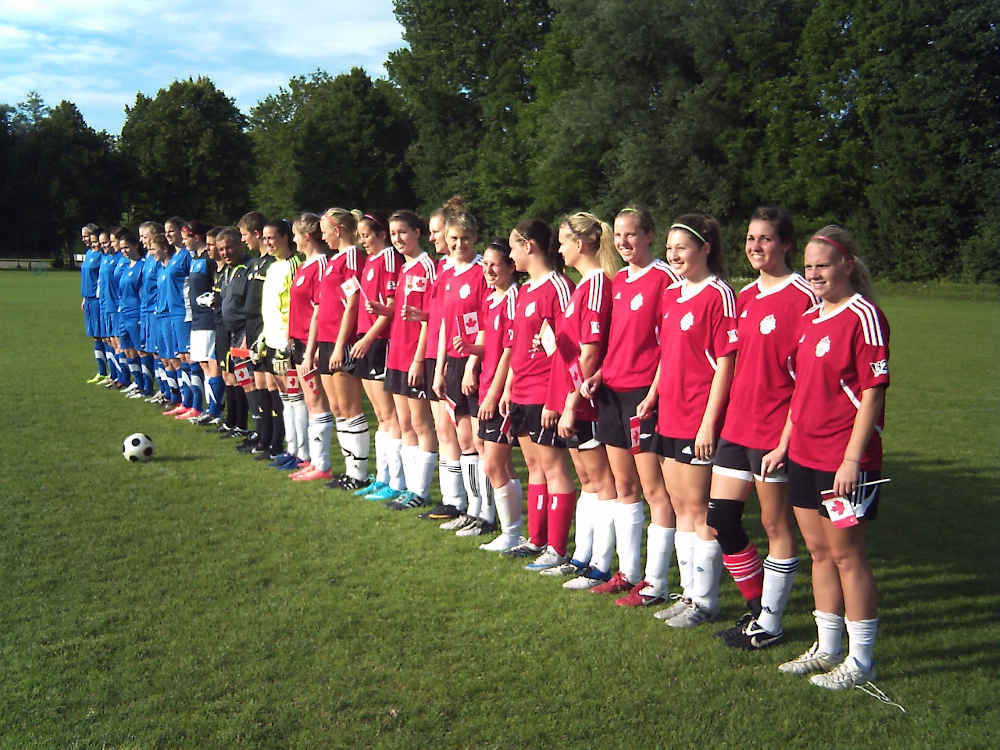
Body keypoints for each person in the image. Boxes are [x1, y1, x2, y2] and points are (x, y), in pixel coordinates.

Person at [763, 226, 889, 690]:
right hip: (805, 454)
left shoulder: (864, 315)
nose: (814, 273)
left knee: (847, 556)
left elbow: (872, 394)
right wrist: (783, 444)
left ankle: (861, 661)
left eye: (823, 265)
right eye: (810, 265)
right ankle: (828, 647)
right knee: (819, 553)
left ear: (847, 265)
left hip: (844, 461)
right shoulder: (811, 317)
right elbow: (802, 392)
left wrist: (852, 461)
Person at [711, 207, 817, 649]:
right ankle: (759, 608)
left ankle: (769, 625)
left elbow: (809, 379)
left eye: (766, 239)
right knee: (720, 519)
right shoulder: (745, 296)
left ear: (787, 244)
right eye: (751, 238)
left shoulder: (804, 296)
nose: (756, 246)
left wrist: (787, 438)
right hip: (738, 426)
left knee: (777, 527)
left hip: (775, 431)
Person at [639, 214, 737, 627]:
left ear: (705, 248)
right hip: (670, 414)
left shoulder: (719, 294)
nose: (673, 254)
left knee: (698, 509)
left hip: (698, 417)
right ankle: (688, 593)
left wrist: (708, 424)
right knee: (679, 505)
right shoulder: (672, 294)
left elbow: (725, 363)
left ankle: (706, 601)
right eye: (669, 247)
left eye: (682, 247)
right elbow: (668, 355)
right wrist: (651, 396)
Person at [579, 207, 680, 608]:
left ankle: (656, 582)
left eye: (632, 235)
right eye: (618, 237)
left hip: (642, 394)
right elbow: (616, 341)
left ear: (649, 236)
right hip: (612, 391)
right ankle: (629, 573)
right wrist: (600, 374)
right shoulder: (619, 280)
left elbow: (669, 345)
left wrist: (653, 392)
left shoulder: (664, 278)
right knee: (624, 487)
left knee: (655, 490)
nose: (624, 243)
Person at [499, 218, 577, 571]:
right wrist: (508, 388)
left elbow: (567, 350)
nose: (511, 254)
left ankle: (558, 549)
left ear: (529, 246)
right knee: (534, 466)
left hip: (546, 393)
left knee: (555, 468)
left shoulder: (559, 287)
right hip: (522, 393)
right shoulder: (525, 290)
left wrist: (555, 399)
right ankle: (537, 539)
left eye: (514, 246)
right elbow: (518, 346)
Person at [547, 212, 619, 588]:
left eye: (562, 242)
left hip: (590, 401)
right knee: (588, 479)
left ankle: (601, 565)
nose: (559, 249)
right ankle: (583, 556)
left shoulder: (596, 286)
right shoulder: (581, 287)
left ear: (580, 244)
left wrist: (572, 403)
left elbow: (590, 354)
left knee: (601, 481)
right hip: (575, 398)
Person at [433, 206, 491, 534]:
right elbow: (443, 326)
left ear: (475, 238)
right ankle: (471, 507)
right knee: (462, 438)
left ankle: (484, 512)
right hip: (453, 363)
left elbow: (484, 323)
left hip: (477, 361)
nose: (459, 244)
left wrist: (471, 366)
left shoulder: (482, 271)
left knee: (476, 440)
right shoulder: (446, 274)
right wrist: (440, 368)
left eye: (465, 239)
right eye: (453, 238)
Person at [301, 208, 366, 482]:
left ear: (338, 230)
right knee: (337, 408)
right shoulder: (333, 260)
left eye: (326, 231)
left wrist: (341, 345)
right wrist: (315, 348)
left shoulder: (351, 256)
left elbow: (352, 303)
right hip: (327, 341)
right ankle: (350, 471)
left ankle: (359, 473)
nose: (323, 236)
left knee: (350, 408)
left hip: (343, 341)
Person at [380, 210, 439, 509]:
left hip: (414, 357)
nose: (398, 239)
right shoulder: (404, 269)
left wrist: (418, 360)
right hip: (397, 355)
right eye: (393, 234)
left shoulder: (429, 268)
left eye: (403, 232)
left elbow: (431, 320)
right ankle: (408, 487)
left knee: (420, 423)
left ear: (418, 232)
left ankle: (421, 491)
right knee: (404, 423)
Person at [470, 239, 522, 548]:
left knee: (493, 464)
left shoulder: (514, 298)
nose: (488, 270)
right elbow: (491, 343)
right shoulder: (490, 298)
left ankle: (511, 533)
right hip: (486, 382)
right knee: (496, 461)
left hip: (499, 389)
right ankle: (511, 530)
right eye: (485, 264)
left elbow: (510, 349)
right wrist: (470, 355)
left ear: (510, 267)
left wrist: (496, 392)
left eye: (495, 264)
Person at [348, 213, 403, 492]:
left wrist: (368, 339)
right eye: (360, 236)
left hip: (379, 342)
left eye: (367, 235)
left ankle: (396, 481)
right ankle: (382, 477)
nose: (363, 241)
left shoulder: (390, 259)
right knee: (381, 416)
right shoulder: (369, 261)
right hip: (366, 341)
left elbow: (391, 309)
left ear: (381, 234)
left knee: (389, 414)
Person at [284, 212, 333, 481]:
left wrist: (311, 350)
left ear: (305, 237)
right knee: (309, 402)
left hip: (311, 344)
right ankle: (315, 460)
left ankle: (323, 465)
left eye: (294, 235)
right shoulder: (304, 265)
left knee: (316, 401)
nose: (293, 240)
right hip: (299, 341)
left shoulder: (321, 265)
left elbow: (318, 310)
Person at [258, 219, 303, 464]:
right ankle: (291, 449)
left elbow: (298, 306)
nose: (267, 242)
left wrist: (288, 341)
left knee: (296, 397)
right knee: (285, 397)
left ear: (286, 237)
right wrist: (264, 337)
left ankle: (302, 453)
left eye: (272, 237)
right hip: (273, 340)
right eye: (265, 238)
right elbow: (271, 307)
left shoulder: (295, 265)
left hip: (288, 342)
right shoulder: (272, 267)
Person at [80, 224, 108, 383]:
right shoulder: (89, 253)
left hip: (98, 300)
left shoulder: (102, 256)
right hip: (88, 299)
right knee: (95, 337)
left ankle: (110, 372)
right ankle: (101, 371)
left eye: (87, 236)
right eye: (84, 237)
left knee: (103, 336)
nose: (85, 239)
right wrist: (84, 298)